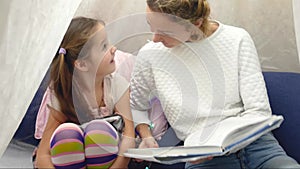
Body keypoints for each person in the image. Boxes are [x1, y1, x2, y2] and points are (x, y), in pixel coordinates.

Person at [130, 0, 300, 168]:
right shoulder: (150, 55)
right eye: (150, 24)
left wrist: (224, 139)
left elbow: (259, 110)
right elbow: (137, 106)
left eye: (165, 31)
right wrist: (146, 137)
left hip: (257, 146)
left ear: (196, 24)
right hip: (202, 156)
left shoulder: (237, 39)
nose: (155, 38)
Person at [35, 17, 135, 168]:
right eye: (104, 46)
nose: (113, 48)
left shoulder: (117, 85)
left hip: (107, 162)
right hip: (70, 160)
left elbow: (129, 138)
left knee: (99, 132)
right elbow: (43, 155)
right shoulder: (63, 92)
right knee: (67, 133)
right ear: (82, 64)